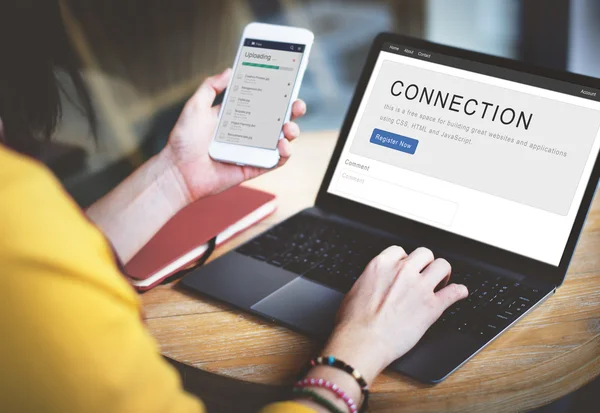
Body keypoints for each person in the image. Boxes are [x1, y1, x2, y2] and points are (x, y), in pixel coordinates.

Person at [0, 2, 468, 412]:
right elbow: (33, 266)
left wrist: (175, 176)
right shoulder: (17, 220)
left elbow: (53, 252)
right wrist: (361, 346)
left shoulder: (21, 209)